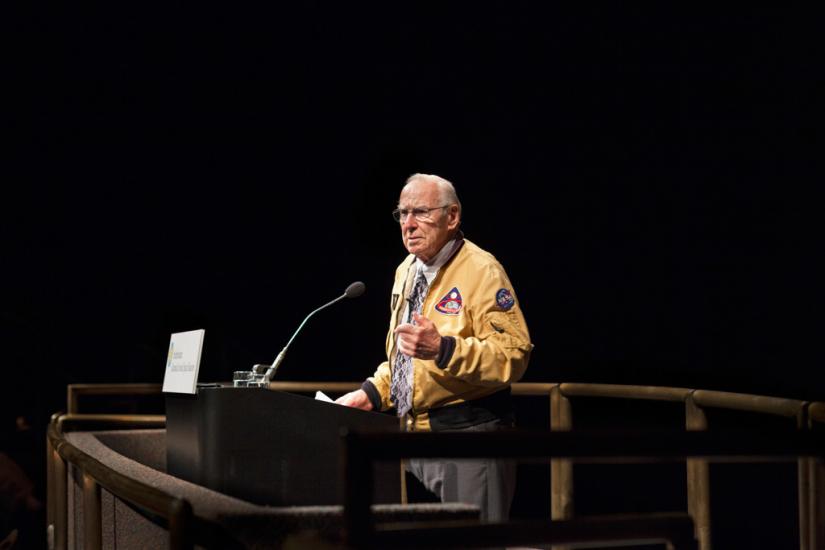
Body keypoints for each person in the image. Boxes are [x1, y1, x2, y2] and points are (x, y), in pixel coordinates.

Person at [336, 173, 533, 521]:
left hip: (469, 438)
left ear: (452, 217)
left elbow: (513, 355)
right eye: (402, 214)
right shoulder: (406, 271)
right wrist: (371, 393)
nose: (408, 224)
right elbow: (404, 357)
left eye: (421, 212)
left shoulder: (482, 271)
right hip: (409, 437)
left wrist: (444, 349)